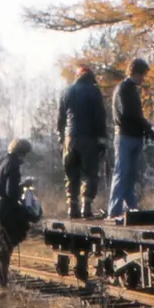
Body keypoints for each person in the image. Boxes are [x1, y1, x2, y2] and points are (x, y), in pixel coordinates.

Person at [0, 139, 36, 287]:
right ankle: (1, 283)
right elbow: (11, 192)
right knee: (4, 246)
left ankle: (1, 280)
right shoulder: (14, 164)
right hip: (5, 209)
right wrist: (23, 186)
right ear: (22, 152)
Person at [57, 65, 107, 219]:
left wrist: (61, 136)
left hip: (69, 138)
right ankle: (86, 206)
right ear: (90, 78)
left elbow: (60, 118)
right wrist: (102, 138)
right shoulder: (93, 91)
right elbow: (100, 116)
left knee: (70, 173)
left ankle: (72, 206)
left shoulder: (66, 91)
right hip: (88, 138)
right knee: (89, 173)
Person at [108, 58, 154, 217]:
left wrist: (145, 129)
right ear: (136, 72)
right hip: (126, 137)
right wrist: (147, 127)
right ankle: (114, 210)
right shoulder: (124, 89)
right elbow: (129, 114)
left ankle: (131, 208)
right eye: (143, 74)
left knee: (129, 175)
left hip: (133, 136)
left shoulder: (131, 89)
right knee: (122, 173)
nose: (143, 78)